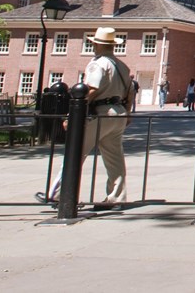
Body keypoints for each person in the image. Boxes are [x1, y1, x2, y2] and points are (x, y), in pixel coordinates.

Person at [37, 27, 132, 208]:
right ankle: (116, 197)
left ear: (97, 44)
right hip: (118, 112)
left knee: (75, 152)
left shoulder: (97, 64)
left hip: (100, 113)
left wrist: (74, 113)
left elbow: (91, 89)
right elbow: (131, 92)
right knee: (114, 158)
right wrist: (127, 113)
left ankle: (59, 195)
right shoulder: (122, 66)